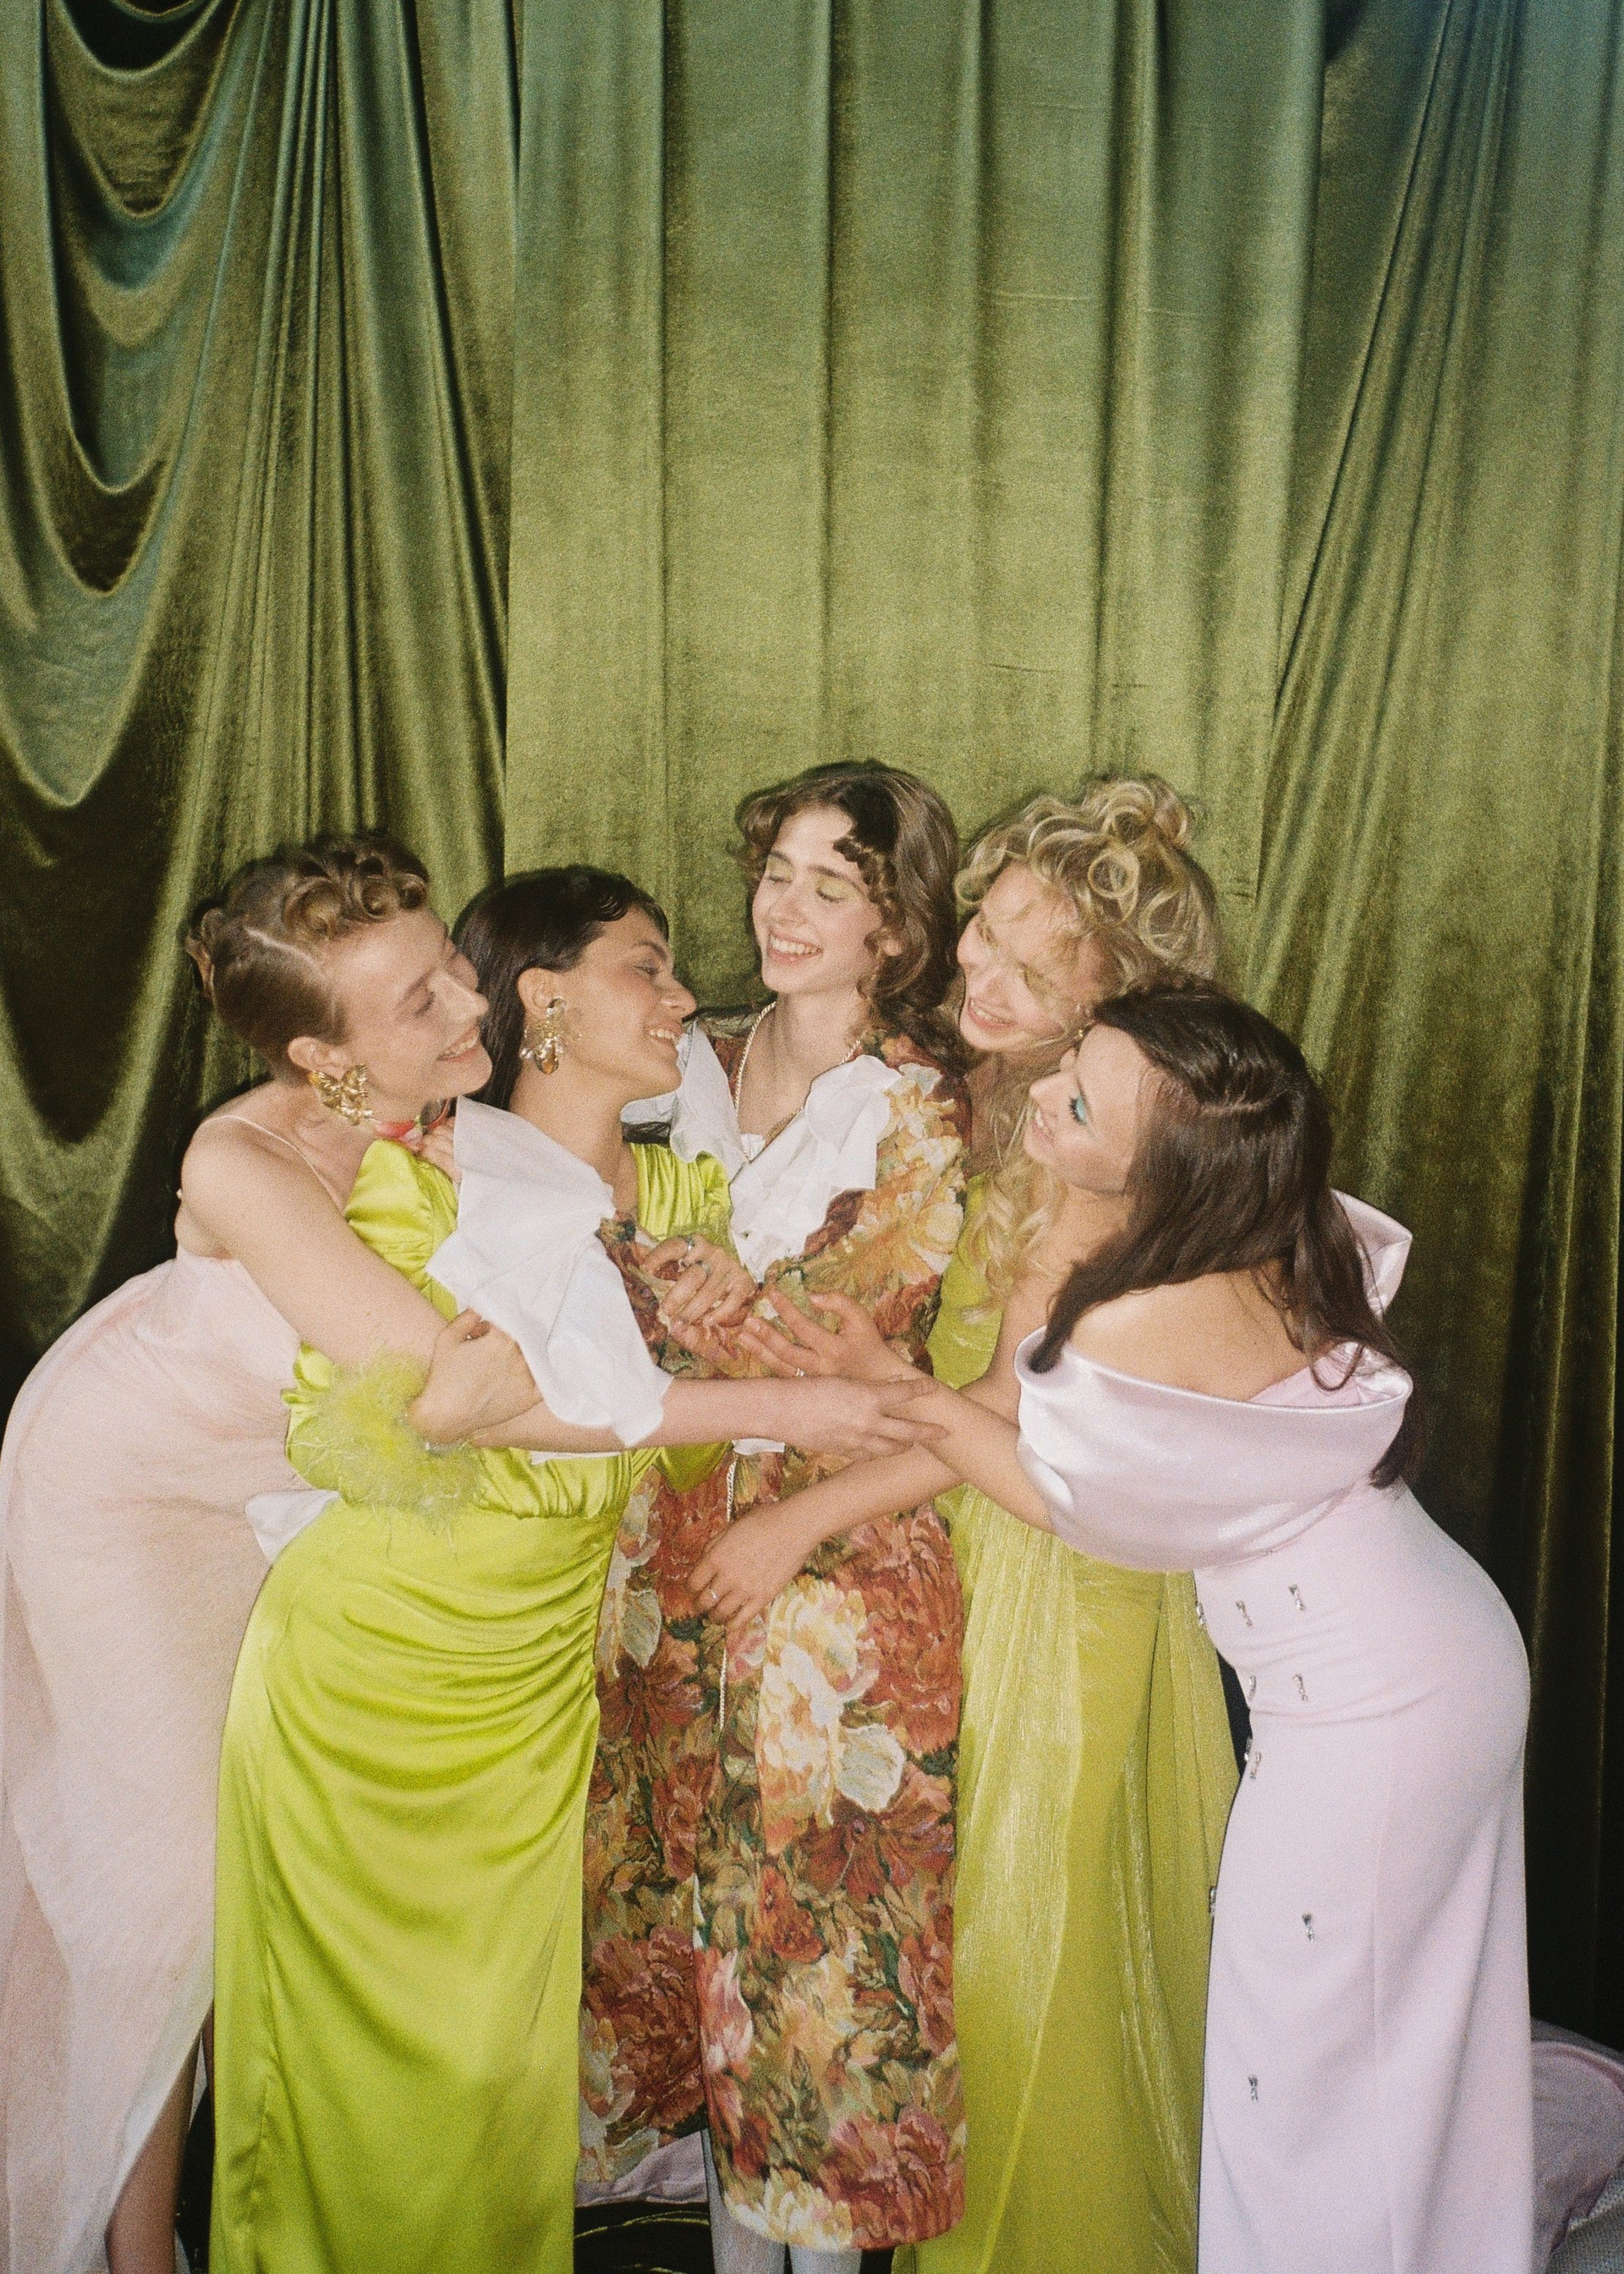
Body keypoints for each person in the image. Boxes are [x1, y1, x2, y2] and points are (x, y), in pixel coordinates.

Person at [705, 980, 1534, 2274]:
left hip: (1365, 1708)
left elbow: (1064, 1501)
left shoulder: (1143, 1312)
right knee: (1413, 2053)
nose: (1043, 1091)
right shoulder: (1265, 1232)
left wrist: (895, 1395)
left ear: (1166, 1171)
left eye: (1081, 1103)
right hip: (1437, 1654)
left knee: (1297, 2067)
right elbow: (1036, 1444)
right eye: (1072, 1065)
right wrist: (902, 1392)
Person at [208, 864, 939, 2274]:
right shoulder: (403, 1163)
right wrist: (777, 1396)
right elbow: (470, 1402)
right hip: (381, 1673)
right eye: (644, 967)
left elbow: (665, 1449)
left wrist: (752, 1326)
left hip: (538, 1686)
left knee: (500, 2081)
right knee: (357, 2083)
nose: (683, 997)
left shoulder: (687, 1192)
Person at [0, 835, 541, 2274]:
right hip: (119, 1498)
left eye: (451, 966)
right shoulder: (240, 1160)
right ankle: (131, 2254)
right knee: (169, 1891)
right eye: (420, 1000)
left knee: (243, 1863)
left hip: (257, 1498)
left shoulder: (407, 1102)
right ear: (320, 1053)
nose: (469, 1005)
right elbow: (436, 1382)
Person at [725, 779, 1240, 2274]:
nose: (985, 983)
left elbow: (999, 1418)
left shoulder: (1084, 1155)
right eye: (985, 942)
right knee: (1004, 1957)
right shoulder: (1014, 1092)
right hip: (1000, 1546)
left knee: (1032, 1965)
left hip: (1051, 1584)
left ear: (1114, 1005)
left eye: (1033, 972)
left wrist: (805, 1512)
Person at [585, 764, 970, 2272]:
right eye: (776, 872)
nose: (785, 908)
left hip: (835, 1585)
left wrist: (643, 1272)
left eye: (834, 884)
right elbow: (487, 1134)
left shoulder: (926, 1108)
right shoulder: (682, 1056)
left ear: (897, 926)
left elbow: (846, 1351)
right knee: (698, 1960)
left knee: (819, 1981)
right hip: (663, 1568)